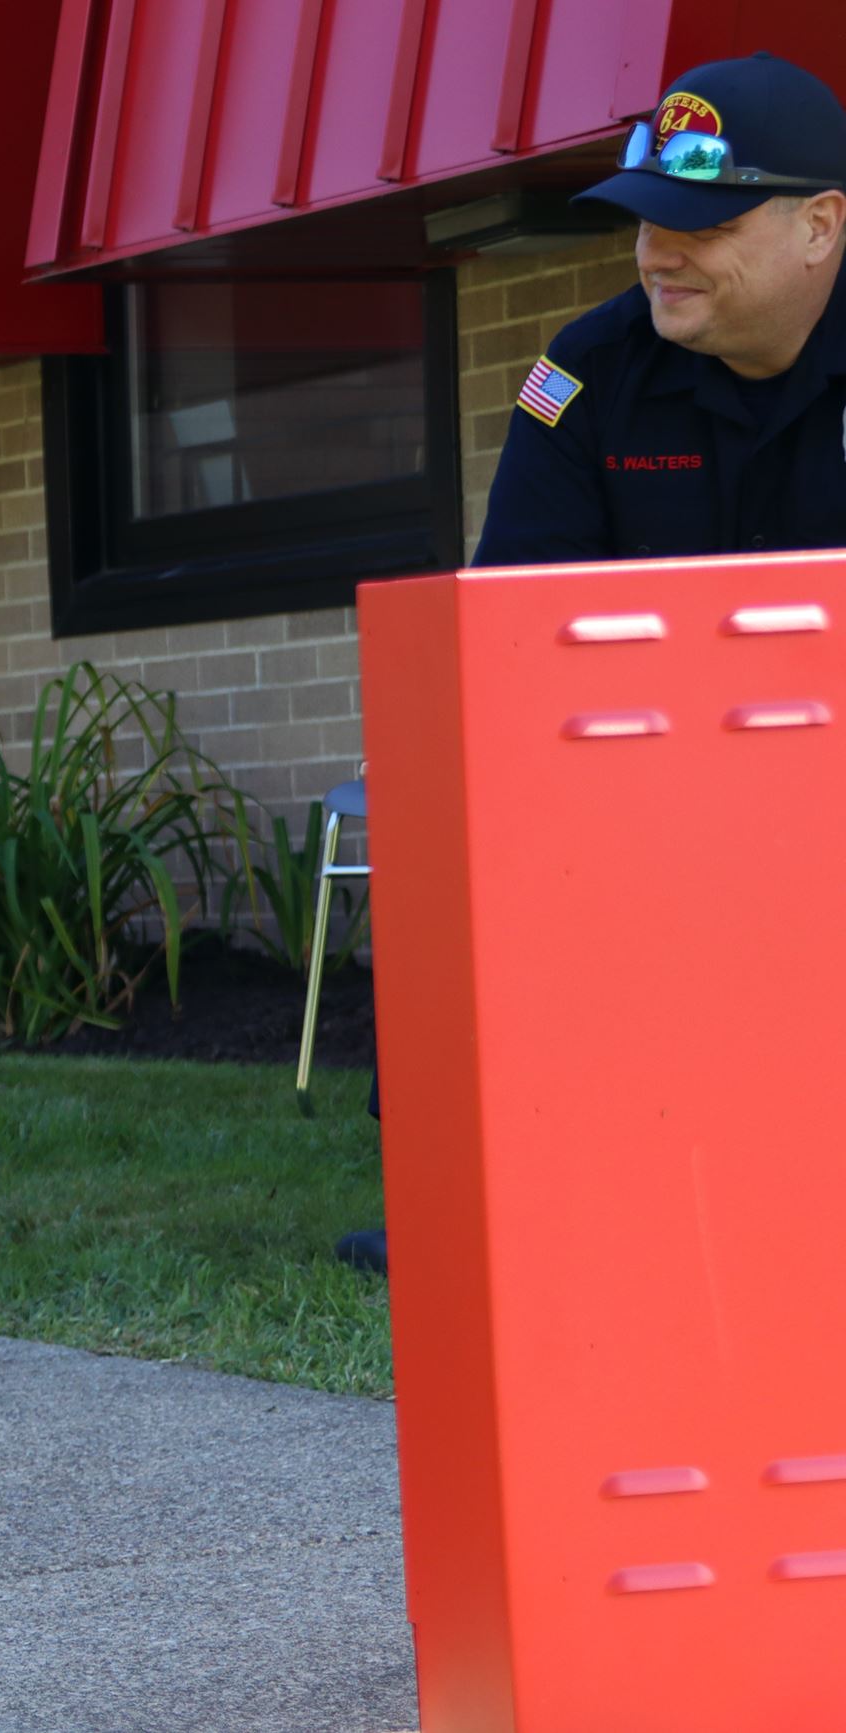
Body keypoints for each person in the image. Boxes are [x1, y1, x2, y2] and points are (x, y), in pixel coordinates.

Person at [340, 50, 846, 1276]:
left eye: (701, 222)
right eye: (642, 222)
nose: (656, 253)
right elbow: (512, 637)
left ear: (819, 226)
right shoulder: (587, 376)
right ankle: (489, 1193)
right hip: (650, 782)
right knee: (454, 791)